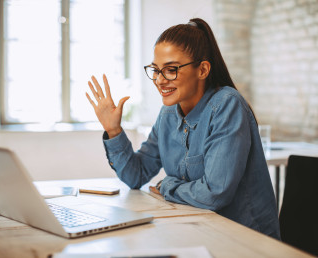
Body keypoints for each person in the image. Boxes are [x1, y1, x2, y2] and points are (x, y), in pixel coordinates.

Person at [86, 18, 280, 239]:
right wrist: (113, 131)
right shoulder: (168, 114)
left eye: (170, 70)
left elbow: (215, 194)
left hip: (245, 240)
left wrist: (168, 185)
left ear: (203, 70)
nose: (159, 80)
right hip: (198, 231)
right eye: (156, 70)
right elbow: (136, 175)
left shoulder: (226, 105)